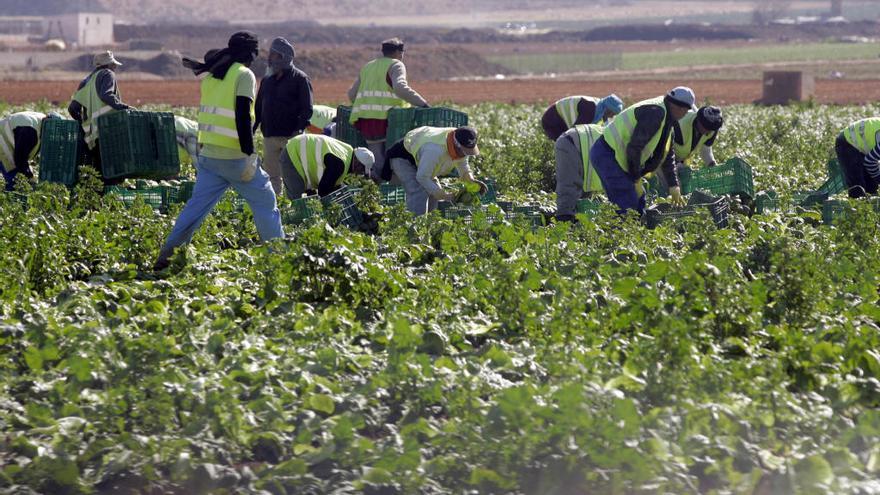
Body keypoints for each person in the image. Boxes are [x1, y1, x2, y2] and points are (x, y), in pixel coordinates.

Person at [154, 32, 283, 270]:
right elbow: (242, 115)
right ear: (250, 53)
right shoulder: (244, 75)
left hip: (209, 156)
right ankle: (276, 257)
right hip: (234, 156)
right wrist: (249, 153)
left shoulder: (211, 77)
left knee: (195, 207)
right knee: (265, 202)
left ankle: (167, 256)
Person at [590, 87, 696, 215]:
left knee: (638, 201)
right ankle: (624, 232)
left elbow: (666, 154)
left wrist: (673, 185)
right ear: (679, 107)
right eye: (686, 110)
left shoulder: (667, 120)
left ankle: (634, 228)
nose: (685, 114)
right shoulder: (655, 113)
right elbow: (635, 147)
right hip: (607, 154)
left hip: (617, 156)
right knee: (628, 204)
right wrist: (635, 178)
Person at [348, 38, 429, 181]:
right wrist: (422, 104)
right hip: (390, 121)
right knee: (394, 158)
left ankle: (376, 189)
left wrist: (368, 105)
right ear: (398, 52)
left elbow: (352, 94)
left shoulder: (368, 66)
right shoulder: (396, 65)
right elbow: (400, 87)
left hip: (367, 122)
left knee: (377, 159)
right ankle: (391, 188)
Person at [254, 37, 314, 195]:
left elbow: (307, 109)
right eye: (270, 54)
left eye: (274, 55)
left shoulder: (300, 79)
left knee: (294, 174)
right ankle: (277, 207)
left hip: (291, 137)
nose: (270, 58)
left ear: (284, 58)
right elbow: (259, 104)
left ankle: (297, 204)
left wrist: (298, 130)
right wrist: (255, 126)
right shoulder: (267, 80)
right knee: (272, 176)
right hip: (270, 136)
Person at [388, 126, 485, 216]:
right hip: (403, 158)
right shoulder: (435, 150)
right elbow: (422, 177)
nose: (465, 155)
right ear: (456, 145)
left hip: (423, 159)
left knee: (433, 194)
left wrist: (471, 180)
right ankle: (414, 227)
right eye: (465, 151)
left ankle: (429, 226)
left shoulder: (462, 140)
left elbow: (463, 164)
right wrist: (443, 195)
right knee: (419, 191)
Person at [68, 51, 133, 182]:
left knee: (98, 173)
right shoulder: (108, 74)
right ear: (109, 64)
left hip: (92, 135)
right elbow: (106, 95)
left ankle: (96, 200)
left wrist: (83, 124)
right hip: (108, 131)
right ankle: (107, 199)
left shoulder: (86, 81)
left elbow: (72, 109)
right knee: (112, 173)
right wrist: (124, 107)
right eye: (113, 64)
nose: (115, 67)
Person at [279, 134, 374, 199]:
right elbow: (323, 190)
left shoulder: (347, 152)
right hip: (293, 154)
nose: (359, 173)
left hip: (297, 149)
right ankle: (290, 225)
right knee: (297, 199)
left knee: (307, 197)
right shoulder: (339, 164)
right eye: (361, 170)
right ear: (357, 163)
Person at [554, 123, 604, 222]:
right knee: (569, 184)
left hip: (577, 141)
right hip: (571, 142)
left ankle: (577, 219)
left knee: (582, 190)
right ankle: (564, 222)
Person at [0, 112, 62, 191]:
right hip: (2, 142)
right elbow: (20, 159)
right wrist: (29, 176)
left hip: (5, 139)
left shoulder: (41, 122)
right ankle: (9, 200)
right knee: (15, 181)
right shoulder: (30, 131)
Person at [542, 94, 624, 141]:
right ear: (607, 109)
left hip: (559, 121)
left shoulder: (598, 108)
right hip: (552, 120)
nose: (612, 116)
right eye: (612, 113)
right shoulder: (590, 108)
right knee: (565, 144)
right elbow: (576, 131)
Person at [836, 117, 880, 198]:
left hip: (862, 143)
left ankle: (870, 208)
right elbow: (870, 161)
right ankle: (856, 209)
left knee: (872, 186)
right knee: (857, 187)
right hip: (847, 142)